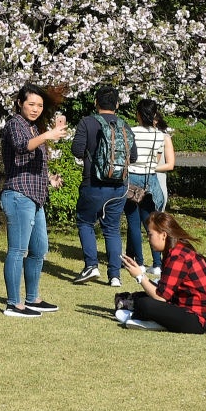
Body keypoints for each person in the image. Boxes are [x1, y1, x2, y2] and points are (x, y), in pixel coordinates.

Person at [1, 84, 69, 317]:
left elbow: (31, 161)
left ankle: (32, 299)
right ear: (20, 103)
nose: (36, 109)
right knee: (18, 250)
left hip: (36, 195)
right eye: (31, 104)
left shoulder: (32, 128)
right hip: (19, 195)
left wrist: (49, 178)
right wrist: (48, 135)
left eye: (39, 105)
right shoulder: (14, 125)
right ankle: (13, 303)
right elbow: (21, 149)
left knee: (39, 249)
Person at [117, 212, 206, 334]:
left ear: (163, 235)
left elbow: (160, 297)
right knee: (139, 297)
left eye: (150, 234)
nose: (148, 239)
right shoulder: (176, 251)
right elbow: (165, 290)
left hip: (202, 320)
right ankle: (147, 317)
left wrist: (139, 276)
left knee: (145, 304)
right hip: (186, 308)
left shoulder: (178, 256)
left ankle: (149, 320)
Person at [70, 87, 131, 287]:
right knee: (112, 229)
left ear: (96, 102)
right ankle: (115, 276)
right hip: (119, 186)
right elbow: (135, 156)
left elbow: (77, 150)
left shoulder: (87, 122)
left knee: (85, 223)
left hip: (92, 184)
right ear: (117, 104)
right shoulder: (124, 125)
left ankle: (91, 265)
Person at [127, 97, 177, 274]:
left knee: (133, 222)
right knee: (152, 222)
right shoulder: (159, 135)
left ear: (138, 114)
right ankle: (157, 264)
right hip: (150, 179)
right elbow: (156, 159)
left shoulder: (131, 132)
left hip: (132, 178)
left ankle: (139, 263)